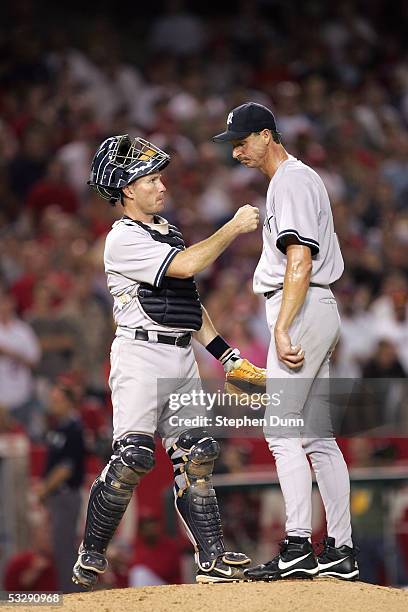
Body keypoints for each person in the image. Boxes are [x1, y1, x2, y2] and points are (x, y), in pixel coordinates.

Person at [72, 134, 264, 588]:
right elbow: (184, 267)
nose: (161, 186)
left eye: (160, 177)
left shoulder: (167, 231)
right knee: (132, 459)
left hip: (180, 354)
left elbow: (186, 306)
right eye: (151, 178)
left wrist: (227, 355)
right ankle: (92, 551)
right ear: (126, 189)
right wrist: (232, 227)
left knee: (199, 454)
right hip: (140, 354)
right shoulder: (121, 238)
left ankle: (212, 557)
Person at [213, 102, 359, 581]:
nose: (236, 152)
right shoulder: (298, 179)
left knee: (283, 432)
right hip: (317, 308)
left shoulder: (291, 181)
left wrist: (281, 326)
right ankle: (340, 550)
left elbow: (300, 256)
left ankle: (298, 545)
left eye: (241, 141)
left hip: (300, 307)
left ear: (267, 135)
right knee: (318, 436)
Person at [38, 374, 86, 592]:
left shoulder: (73, 429)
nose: (53, 405)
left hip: (66, 495)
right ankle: (68, 590)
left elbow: (66, 468)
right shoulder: (59, 428)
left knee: (65, 547)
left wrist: (44, 490)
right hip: (58, 496)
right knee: (60, 546)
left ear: (67, 402)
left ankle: (71, 593)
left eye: (56, 400)